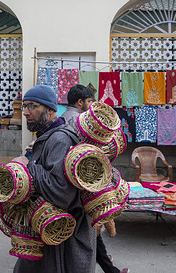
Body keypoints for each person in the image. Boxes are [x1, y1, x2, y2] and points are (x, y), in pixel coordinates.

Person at [12, 85, 95, 273]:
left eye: (32, 106)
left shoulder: (60, 139)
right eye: (24, 106)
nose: (25, 112)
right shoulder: (47, 135)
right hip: (50, 232)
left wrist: (28, 165)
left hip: (64, 235)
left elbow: (62, 193)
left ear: (50, 110)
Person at [62, 85, 129, 273]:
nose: (92, 106)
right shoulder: (80, 120)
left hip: (75, 183)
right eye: (90, 101)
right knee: (90, 230)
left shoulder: (64, 117)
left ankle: (110, 269)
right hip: (83, 184)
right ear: (80, 102)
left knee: (91, 232)